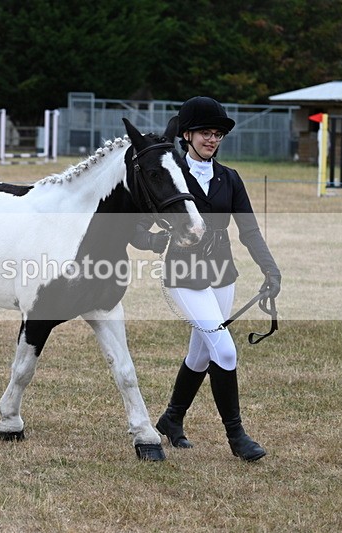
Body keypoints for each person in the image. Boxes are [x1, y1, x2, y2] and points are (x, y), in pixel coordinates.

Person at [130, 96, 281, 461]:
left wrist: (270, 269)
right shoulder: (169, 173)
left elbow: (248, 230)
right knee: (224, 349)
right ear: (186, 135)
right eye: (204, 133)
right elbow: (134, 229)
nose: (211, 140)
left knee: (200, 355)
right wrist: (155, 240)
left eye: (217, 134)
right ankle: (237, 436)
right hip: (184, 276)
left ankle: (170, 419)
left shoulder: (229, 178)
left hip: (222, 275)